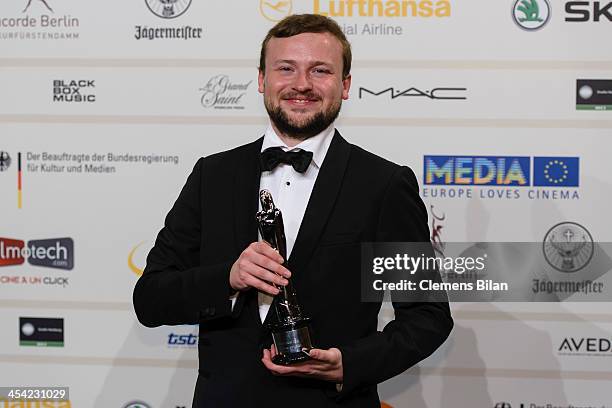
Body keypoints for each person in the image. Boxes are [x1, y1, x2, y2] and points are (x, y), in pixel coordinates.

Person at [133, 13, 453, 408]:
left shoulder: (384, 184)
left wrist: (347, 364)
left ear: (345, 85)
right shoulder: (211, 175)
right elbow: (150, 298)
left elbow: (428, 315)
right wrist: (229, 279)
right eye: (286, 68)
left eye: (320, 70)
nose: (301, 84)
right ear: (262, 80)